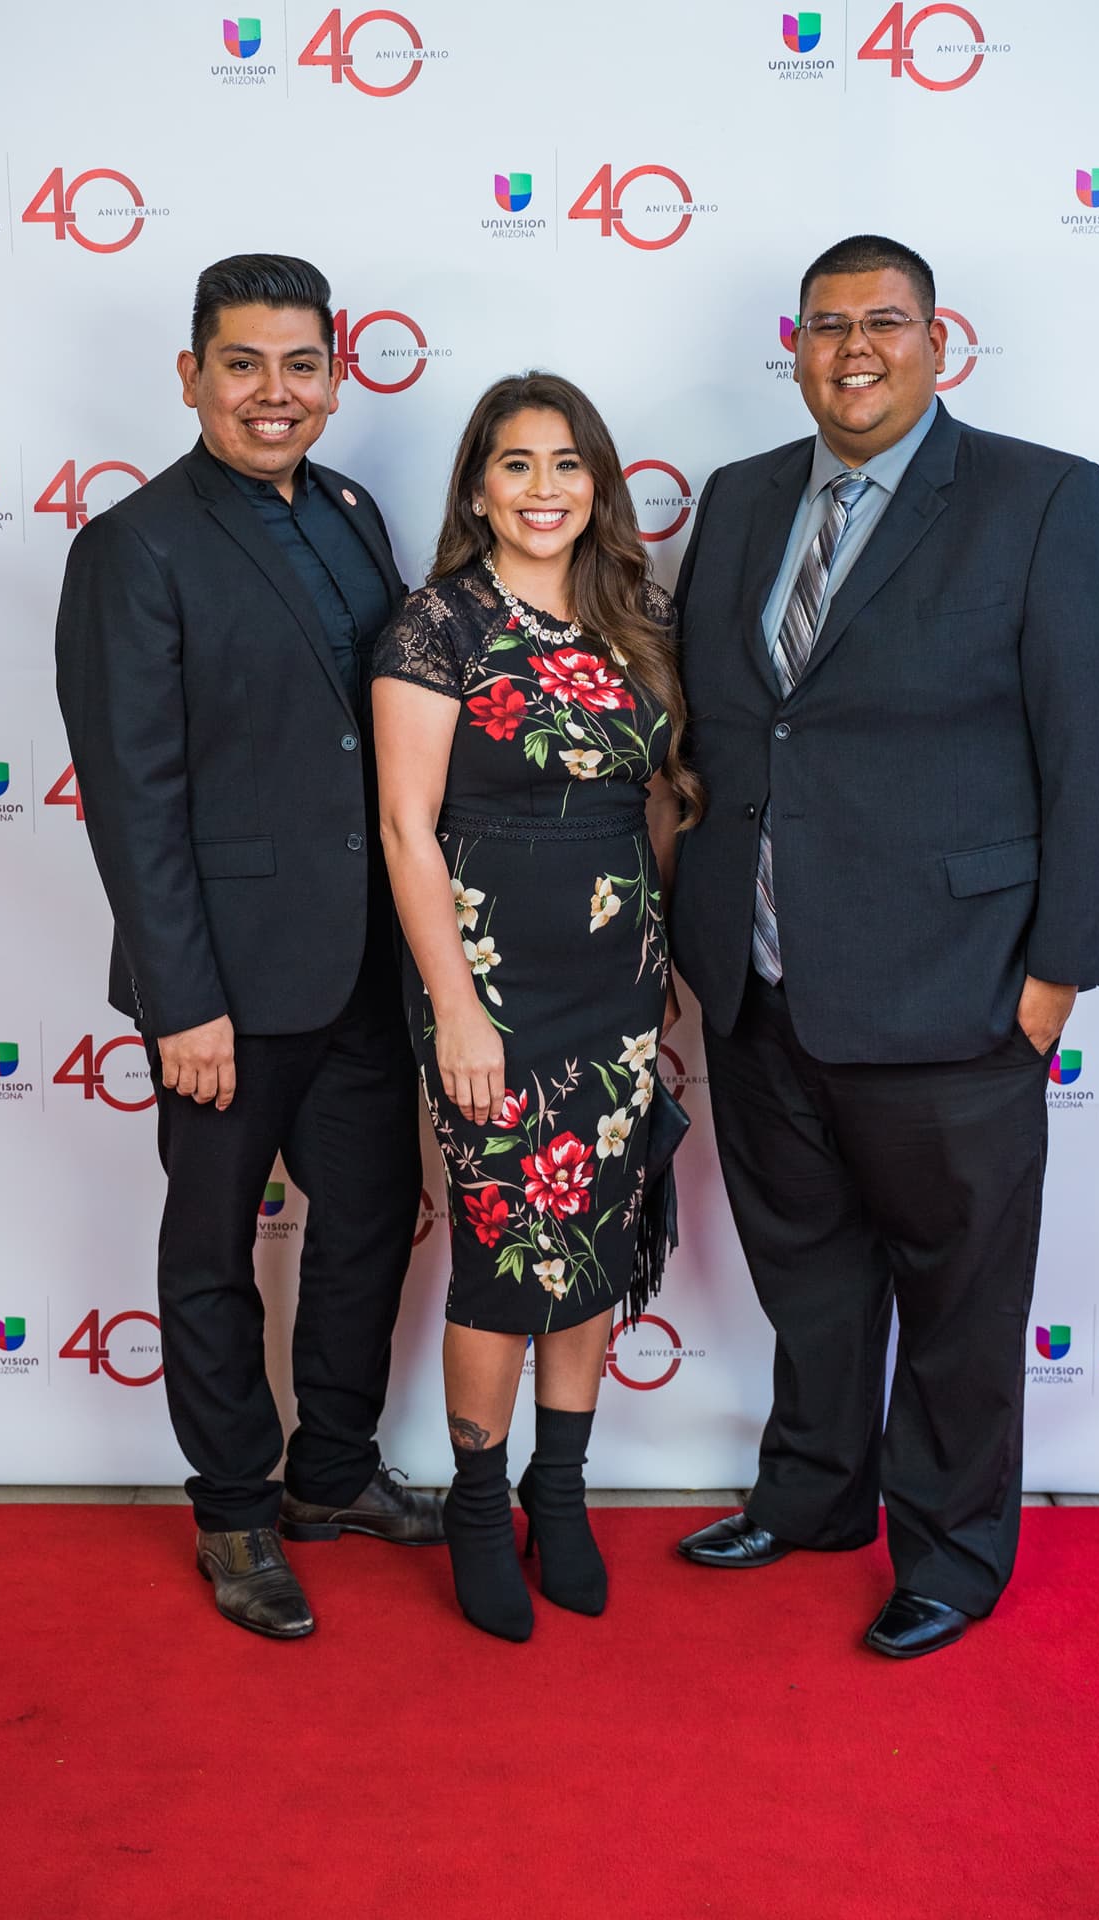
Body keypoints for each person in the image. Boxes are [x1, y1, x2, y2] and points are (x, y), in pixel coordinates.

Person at [672, 234, 1099, 1657]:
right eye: (827, 325)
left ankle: (948, 1552)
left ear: (939, 344)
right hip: (760, 981)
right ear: (796, 348)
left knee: (957, 1295)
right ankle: (814, 1493)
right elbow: (736, 725)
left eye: (884, 322)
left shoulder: (1040, 499)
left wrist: (1057, 972)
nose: (854, 350)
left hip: (957, 984)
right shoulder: (741, 496)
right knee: (807, 1270)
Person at [55, 253, 442, 1641]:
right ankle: (233, 1511)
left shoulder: (351, 511)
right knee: (214, 1250)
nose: (272, 393)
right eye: (242, 364)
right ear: (191, 377)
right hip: (221, 985)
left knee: (368, 1230)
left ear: (335, 380)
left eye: (299, 366)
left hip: (363, 968)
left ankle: (330, 1473)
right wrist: (182, 1000)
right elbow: (133, 797)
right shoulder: (134, 546)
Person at [371, 372, 700, 1641]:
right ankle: (474, 1504)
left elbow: (659, 800)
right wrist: (455, 1009)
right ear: (476, 488)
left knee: (594, 1242)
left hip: (613, 989)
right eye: (516, 464)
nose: (544, 488)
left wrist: (655, 965)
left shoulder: (638, 616)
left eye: (567, 464)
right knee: (507, 1251)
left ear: (598, 483)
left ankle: (557, 1492)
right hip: (491, 990)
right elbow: (406, 831)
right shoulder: (436, 626)